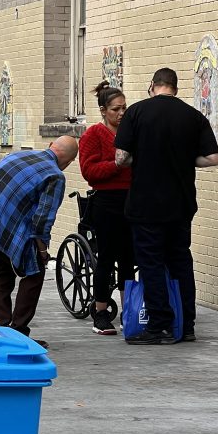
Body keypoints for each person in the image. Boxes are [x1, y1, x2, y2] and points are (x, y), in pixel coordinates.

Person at [114, 67, 218, 345]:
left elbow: (121, 159)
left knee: (150, 263)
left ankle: (159, 325)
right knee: (180, 261)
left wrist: (146, 158)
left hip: (145, 204)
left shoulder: (136, 113)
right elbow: (213, 158)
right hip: (181, 204)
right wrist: (185, 160)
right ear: (175, 87)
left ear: (153, 86)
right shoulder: (194, 116)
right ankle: (186, 325)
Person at [0, 136, 79, 349]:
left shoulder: (18, 155)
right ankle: (19, 332)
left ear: (50, 146)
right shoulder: (55, 176)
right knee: (35, 273)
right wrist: (43, 249)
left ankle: (1, 328)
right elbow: (42, 220)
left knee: (2, 274)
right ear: (68, 162)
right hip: (10, 226)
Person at [79, 81, 135, 336]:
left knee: (129, 259)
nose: (121, 113)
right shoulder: (93, 135)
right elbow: (89, 172)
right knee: (107, 258)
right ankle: (100, 312)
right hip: (106, 202)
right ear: (103, 110)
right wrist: (116, 164)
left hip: (131, 200)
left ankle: (130, 312)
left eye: (124, 108)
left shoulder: (131, 133)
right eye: (116, 109)